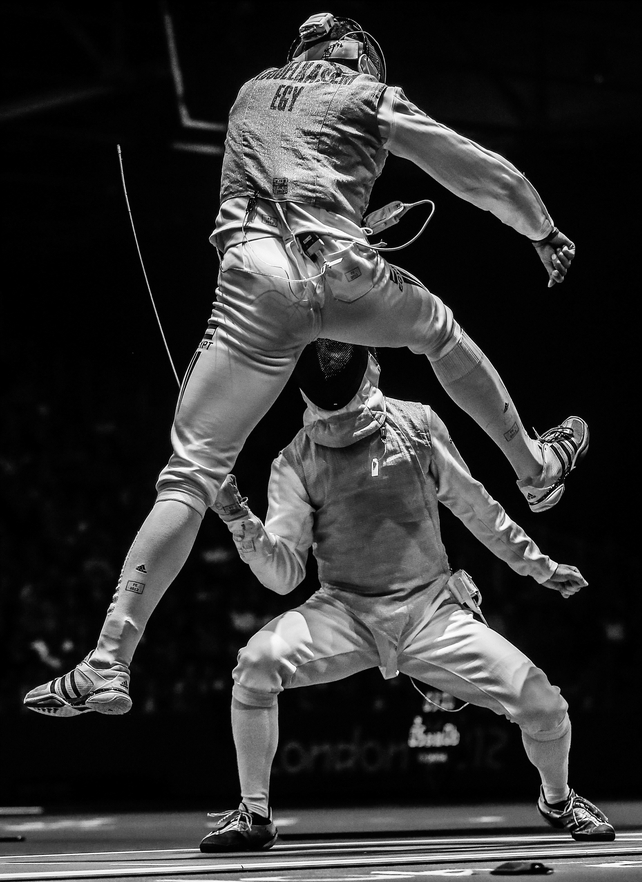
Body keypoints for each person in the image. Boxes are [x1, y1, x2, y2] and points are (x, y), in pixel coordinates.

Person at [24, 11, 587, 718]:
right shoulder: (369, 97)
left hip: (254, 285)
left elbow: (293, 165)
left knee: (189, 476)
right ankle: (537, 471)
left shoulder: (249, 92)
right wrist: (541, 227)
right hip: (343, 271)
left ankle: (108, 661)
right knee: (438, 331)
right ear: (360, 59)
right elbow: (477, 171)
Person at [200, 340, 613, 853]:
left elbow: (475, 505)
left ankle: (558, 799)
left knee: (545, 706)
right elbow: (286, 573)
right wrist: (239, 516)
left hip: (430, 612)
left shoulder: (416, 426)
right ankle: (254, 813)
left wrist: (537, 566)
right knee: (257, 664)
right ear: (371, 368)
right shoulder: (296, 462)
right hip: (345, 613)